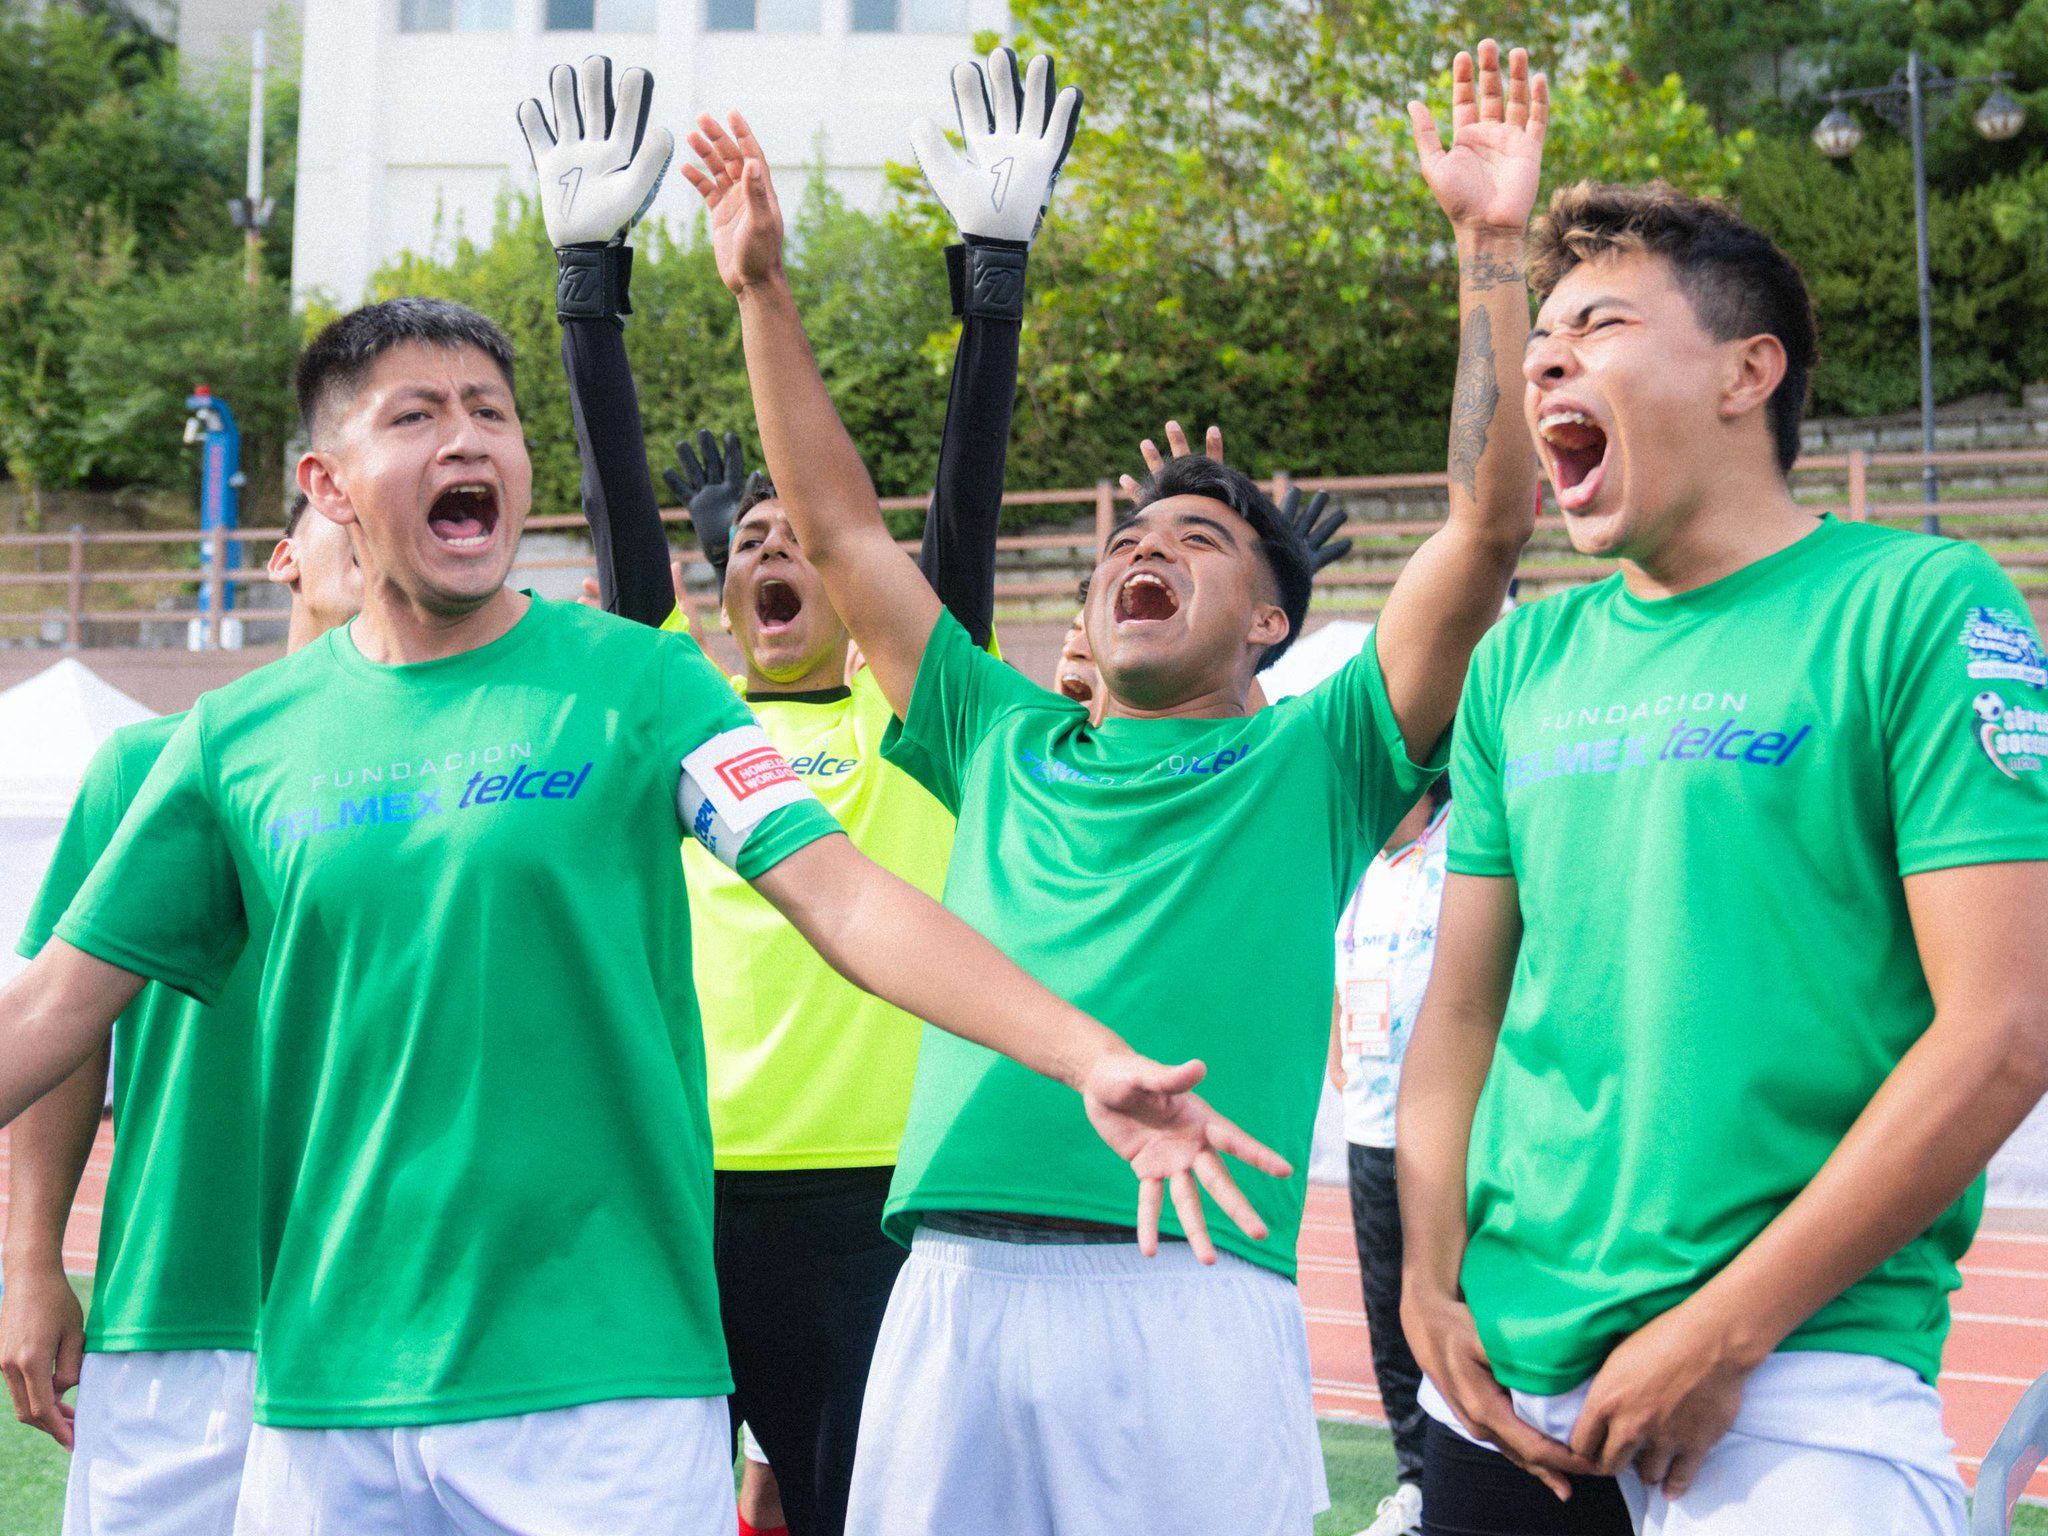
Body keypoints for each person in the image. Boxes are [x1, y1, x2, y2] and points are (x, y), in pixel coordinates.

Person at [0, 290, 1284, 1535]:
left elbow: (840, 897)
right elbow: (59, 1002)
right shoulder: (236, 743)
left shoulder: (642, 685)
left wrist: (1085, 1055)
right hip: (325, 1388)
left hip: (602, 1393)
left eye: (491, 414)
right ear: (326, 483)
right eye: (414, 417)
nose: (466, 440)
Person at [681, 36, 1545, 1532]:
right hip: (947, 1289)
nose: (1149, 551)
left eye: (1202, 545)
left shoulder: (1321, 756)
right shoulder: (993, 733)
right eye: (1131, 544)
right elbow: (836, 529)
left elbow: (1483, 530)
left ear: (1273, 623)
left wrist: (1491, 250)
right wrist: (762, 287)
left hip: (1190, 1300)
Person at [1398, 178, 2048, 1536]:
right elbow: (1461, 1009)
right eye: (1539, 341)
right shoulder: (1523, 657)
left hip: (1794, 1379)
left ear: (1751, 372)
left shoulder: (1920, 605)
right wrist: (1426, 1280)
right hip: (1505, 1394)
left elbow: (2006, 1028)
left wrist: (1725, 1332)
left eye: (1601, 323)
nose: (1547, 356)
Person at [517, 49, 1062, 1536]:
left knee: (855, 1512)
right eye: (747, 538)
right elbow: (629, 549)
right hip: (673, 1184)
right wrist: (589, 284)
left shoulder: (913, 728)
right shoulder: (676, 733)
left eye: (803, 538)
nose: (776, 551)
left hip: (867, 1198)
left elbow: (957, 507)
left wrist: (994, 278)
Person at [0, 494, 360, 1536]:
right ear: (284, 557)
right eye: (338, 506)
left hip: (381, 1315)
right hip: (171, 1304)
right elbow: (67, 1030)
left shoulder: (452, 788)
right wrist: (30, 1266)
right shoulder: (143, 762)